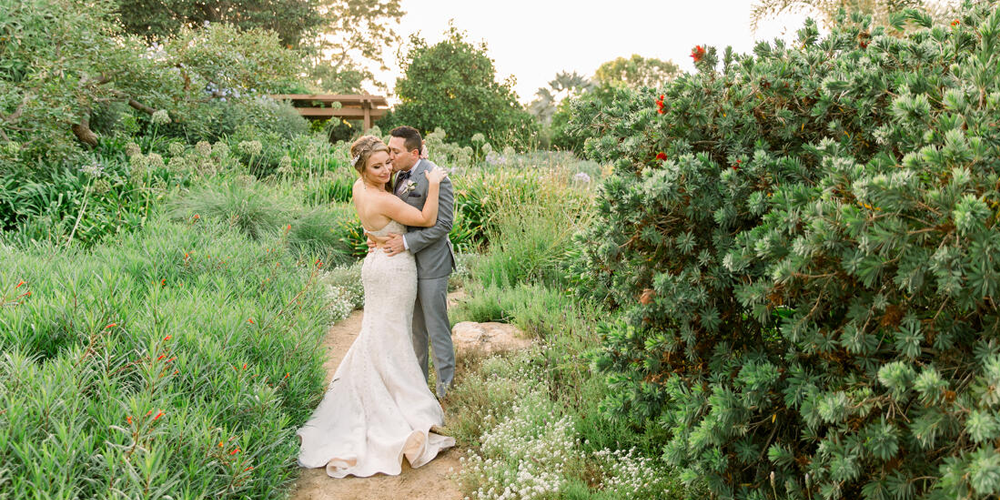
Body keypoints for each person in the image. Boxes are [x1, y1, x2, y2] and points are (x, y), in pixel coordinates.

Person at [296, 135, 454, 478]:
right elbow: (428, 218)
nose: (386, 170)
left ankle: (376, 391)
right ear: (363, 167)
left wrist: (376, 233)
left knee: (378, 333)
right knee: (394, 334)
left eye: (388, 162)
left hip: (375, 265)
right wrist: (436, 183)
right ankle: (404, 402)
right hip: (394, 269)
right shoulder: (384, 199)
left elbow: (371, 218)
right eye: (377, 166)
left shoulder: (358, 188)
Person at [380, 126, 457, 400]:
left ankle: (446, 393)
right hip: (406, 267)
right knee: (416, 332)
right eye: (389, 149)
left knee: (437, 329)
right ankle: (419, 390)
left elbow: (444, 224)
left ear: (414, 153)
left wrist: (406, 243)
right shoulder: (400, 174)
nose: (390, 155)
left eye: (395, 151)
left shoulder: (436, 178)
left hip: (432, 265)